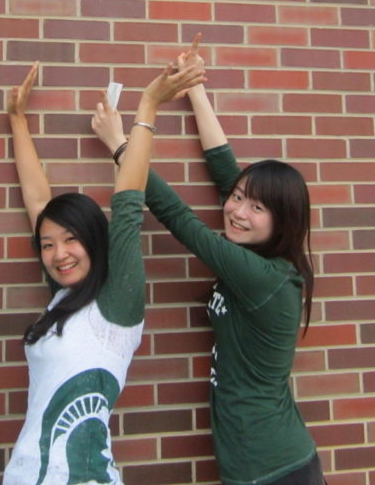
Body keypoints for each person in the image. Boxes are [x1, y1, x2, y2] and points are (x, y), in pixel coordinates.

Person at [93, 36, 325, 485]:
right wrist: (196, 85)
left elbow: (181, 221)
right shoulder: (257, 252)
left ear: (284, 222)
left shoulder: (264, 276)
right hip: (256, 464)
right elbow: (224, 168)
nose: (237, 210)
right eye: (238, 198)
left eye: (256, 208)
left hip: (274, 470)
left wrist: (122, 145)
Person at [3, 59, 205, 485]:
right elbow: (39, 204)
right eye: (48, 245)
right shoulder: (63, 296)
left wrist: (147, 106)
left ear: (95, 240)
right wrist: (18, 120)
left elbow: (129, 200)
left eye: (71, 240)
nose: (59, 254)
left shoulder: (116, 305)